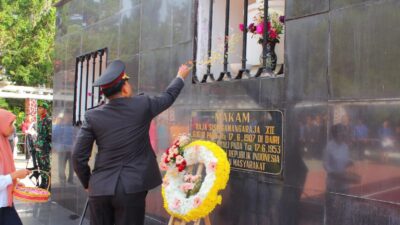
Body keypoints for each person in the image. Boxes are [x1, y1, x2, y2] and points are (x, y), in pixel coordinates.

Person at [73, 60, 190, 225]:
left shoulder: (92, 116)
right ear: (125, 87)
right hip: (132, 188)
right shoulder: (142, 105)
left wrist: (88, 183)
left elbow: (78, 157)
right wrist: (180, 76)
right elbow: (168, 96)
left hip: (99, 188)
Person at [0, 109, 31, 225]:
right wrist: (15, 175)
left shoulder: (3, 142)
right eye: (10, 123)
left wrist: (14, 182)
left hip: (5, 204)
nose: (13, 127)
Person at [35, 102, 52, 189]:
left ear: (45, 109)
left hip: (44, 148)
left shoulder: (48, 120)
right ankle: (43, 183)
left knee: (46, 166)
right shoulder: (40, 120)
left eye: (40, 108)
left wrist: (47, 145)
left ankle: (49, 184)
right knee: (40, 166)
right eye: (38, 108)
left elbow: (51, 135)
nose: (38, 109)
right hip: (38, 147)